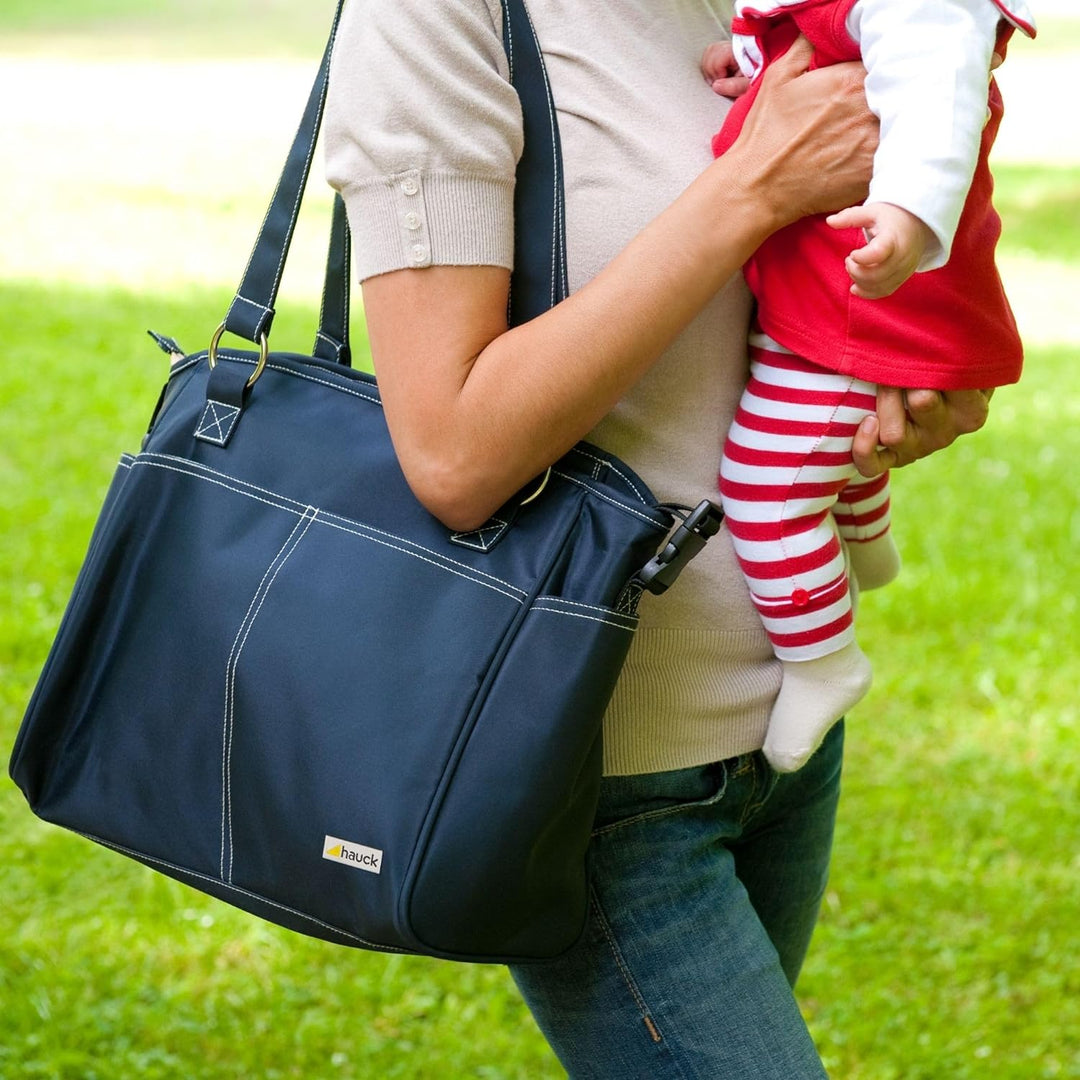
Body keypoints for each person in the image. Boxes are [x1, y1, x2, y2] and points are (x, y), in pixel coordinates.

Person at [324, 3, 993, 1076]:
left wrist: (888, 382)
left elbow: (779, 315)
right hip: (603, 778)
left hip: (780, 737)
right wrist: (753, 188)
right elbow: (451, 455)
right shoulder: (438, 17)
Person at [703, 0, 1035, 773]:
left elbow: (935, 85)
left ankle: (825, 660)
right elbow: (823, 44)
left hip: (862, 286)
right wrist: (750, 60)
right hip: (828, 281)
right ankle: (865, 536)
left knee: (767, 483)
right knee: (822, 422)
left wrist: (906, 208)